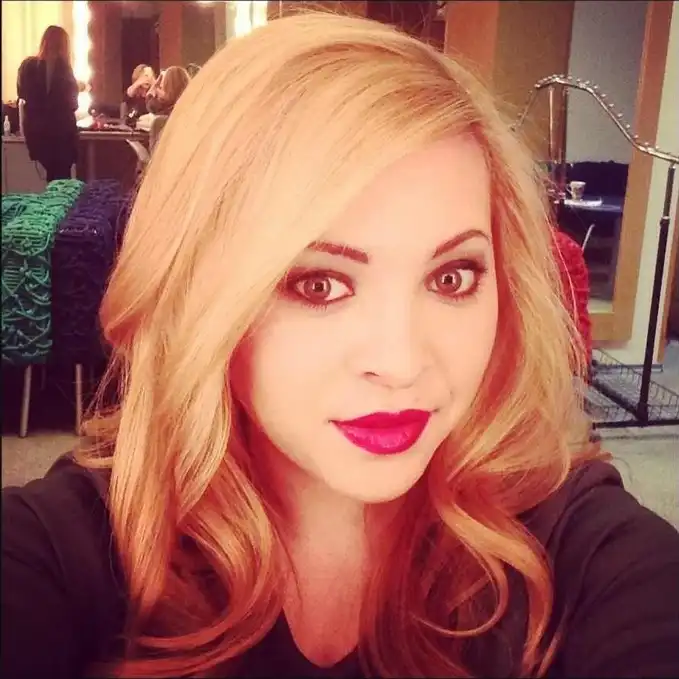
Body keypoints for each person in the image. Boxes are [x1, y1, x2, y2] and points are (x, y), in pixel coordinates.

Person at [2, 12, 679, 679]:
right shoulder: (68, 550)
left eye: (451, 277)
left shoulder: (576, 547)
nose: (401, 362)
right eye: (318, 284)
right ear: (199, 292)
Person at [16, 25, 80, 182]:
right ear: (64, 45)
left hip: (38, 136)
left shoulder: (27, 66)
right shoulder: (64, 70)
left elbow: (22, 94)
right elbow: (72, 104)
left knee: (51, 179)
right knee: (61, 182)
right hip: (61, 137)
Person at [144, 65, 191, 151]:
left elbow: (156, 157)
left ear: (170, 90)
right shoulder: (190, 109)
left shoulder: (161, 121)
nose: (157, 92)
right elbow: (152, 107)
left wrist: (153, 88)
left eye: (161, 88)